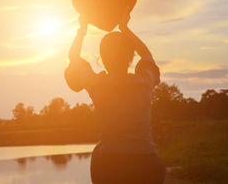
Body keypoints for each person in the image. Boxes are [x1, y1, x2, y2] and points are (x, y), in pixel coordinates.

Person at [64, 11, 165, 183]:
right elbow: (147, 56)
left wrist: (81, 31)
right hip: (147, 161)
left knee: (99, 151)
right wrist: (125, 28)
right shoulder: (144, 81)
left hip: (110, 162)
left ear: (102, 58)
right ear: (131, 57)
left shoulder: (97, 83)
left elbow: (73, 59)